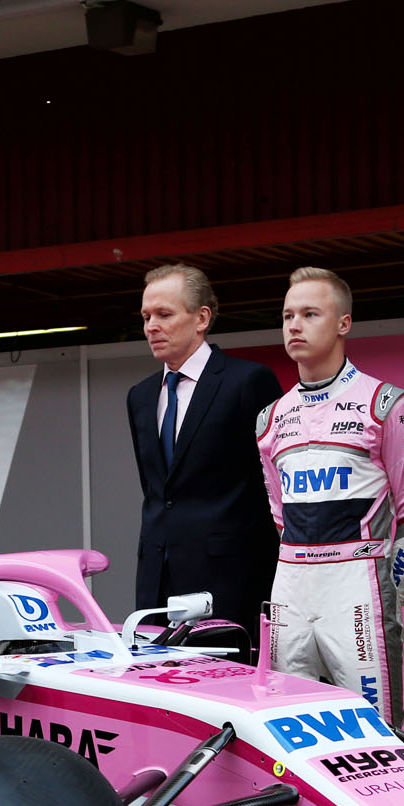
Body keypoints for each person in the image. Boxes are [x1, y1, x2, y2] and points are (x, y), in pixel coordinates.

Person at [256, 267, 404, 725]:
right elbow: (279, 514)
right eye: (288, 315)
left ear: (343, 323)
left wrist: (392, 592)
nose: (295, 325)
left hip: (357, 584)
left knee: (375, 727)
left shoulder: (387, 403)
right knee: (288, 722)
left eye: (310, 313)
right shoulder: (270, 418)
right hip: (291, 584)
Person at [128, 263, 283, 657]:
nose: (151, 326)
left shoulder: (249, 382)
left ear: (202, 318)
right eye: (146, 317)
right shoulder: (141, 396)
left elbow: (273, 487)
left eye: (164, 314)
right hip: (155, 585)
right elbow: (157, 491)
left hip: (229, 582)